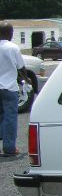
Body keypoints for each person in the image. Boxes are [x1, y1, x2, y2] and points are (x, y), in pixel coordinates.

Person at [0, 22, 27, 156]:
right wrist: (26, 80)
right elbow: (21, 67)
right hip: (9, 88)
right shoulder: (12, 47)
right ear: (7, 33)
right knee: (10, 117)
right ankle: (9, 148)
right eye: (11, 33)